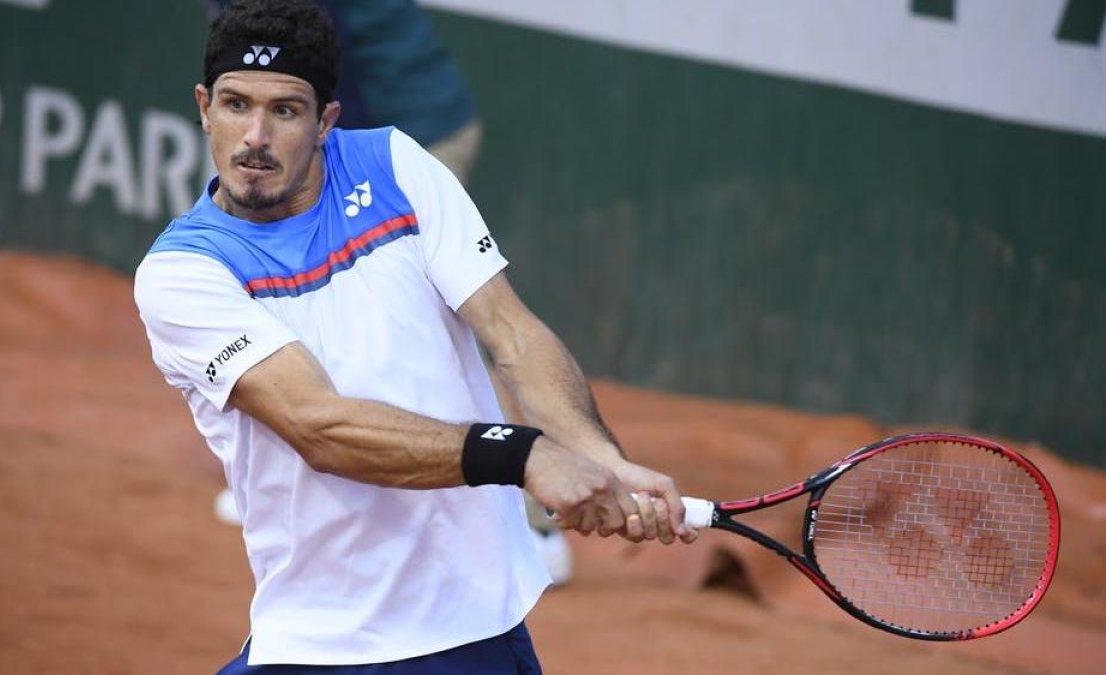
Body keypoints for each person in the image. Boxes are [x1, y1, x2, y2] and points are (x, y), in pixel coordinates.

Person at [134, 1, 697, 671]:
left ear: (326, 121)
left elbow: (511, 333)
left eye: (284, 111)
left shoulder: (395, 165)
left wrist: (602, 454)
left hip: (472, 627)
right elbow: (321, 426)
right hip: (320, 640)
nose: (254, 136)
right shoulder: (182, 272)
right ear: (203, 106)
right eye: (234, 104)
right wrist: (524, 454)